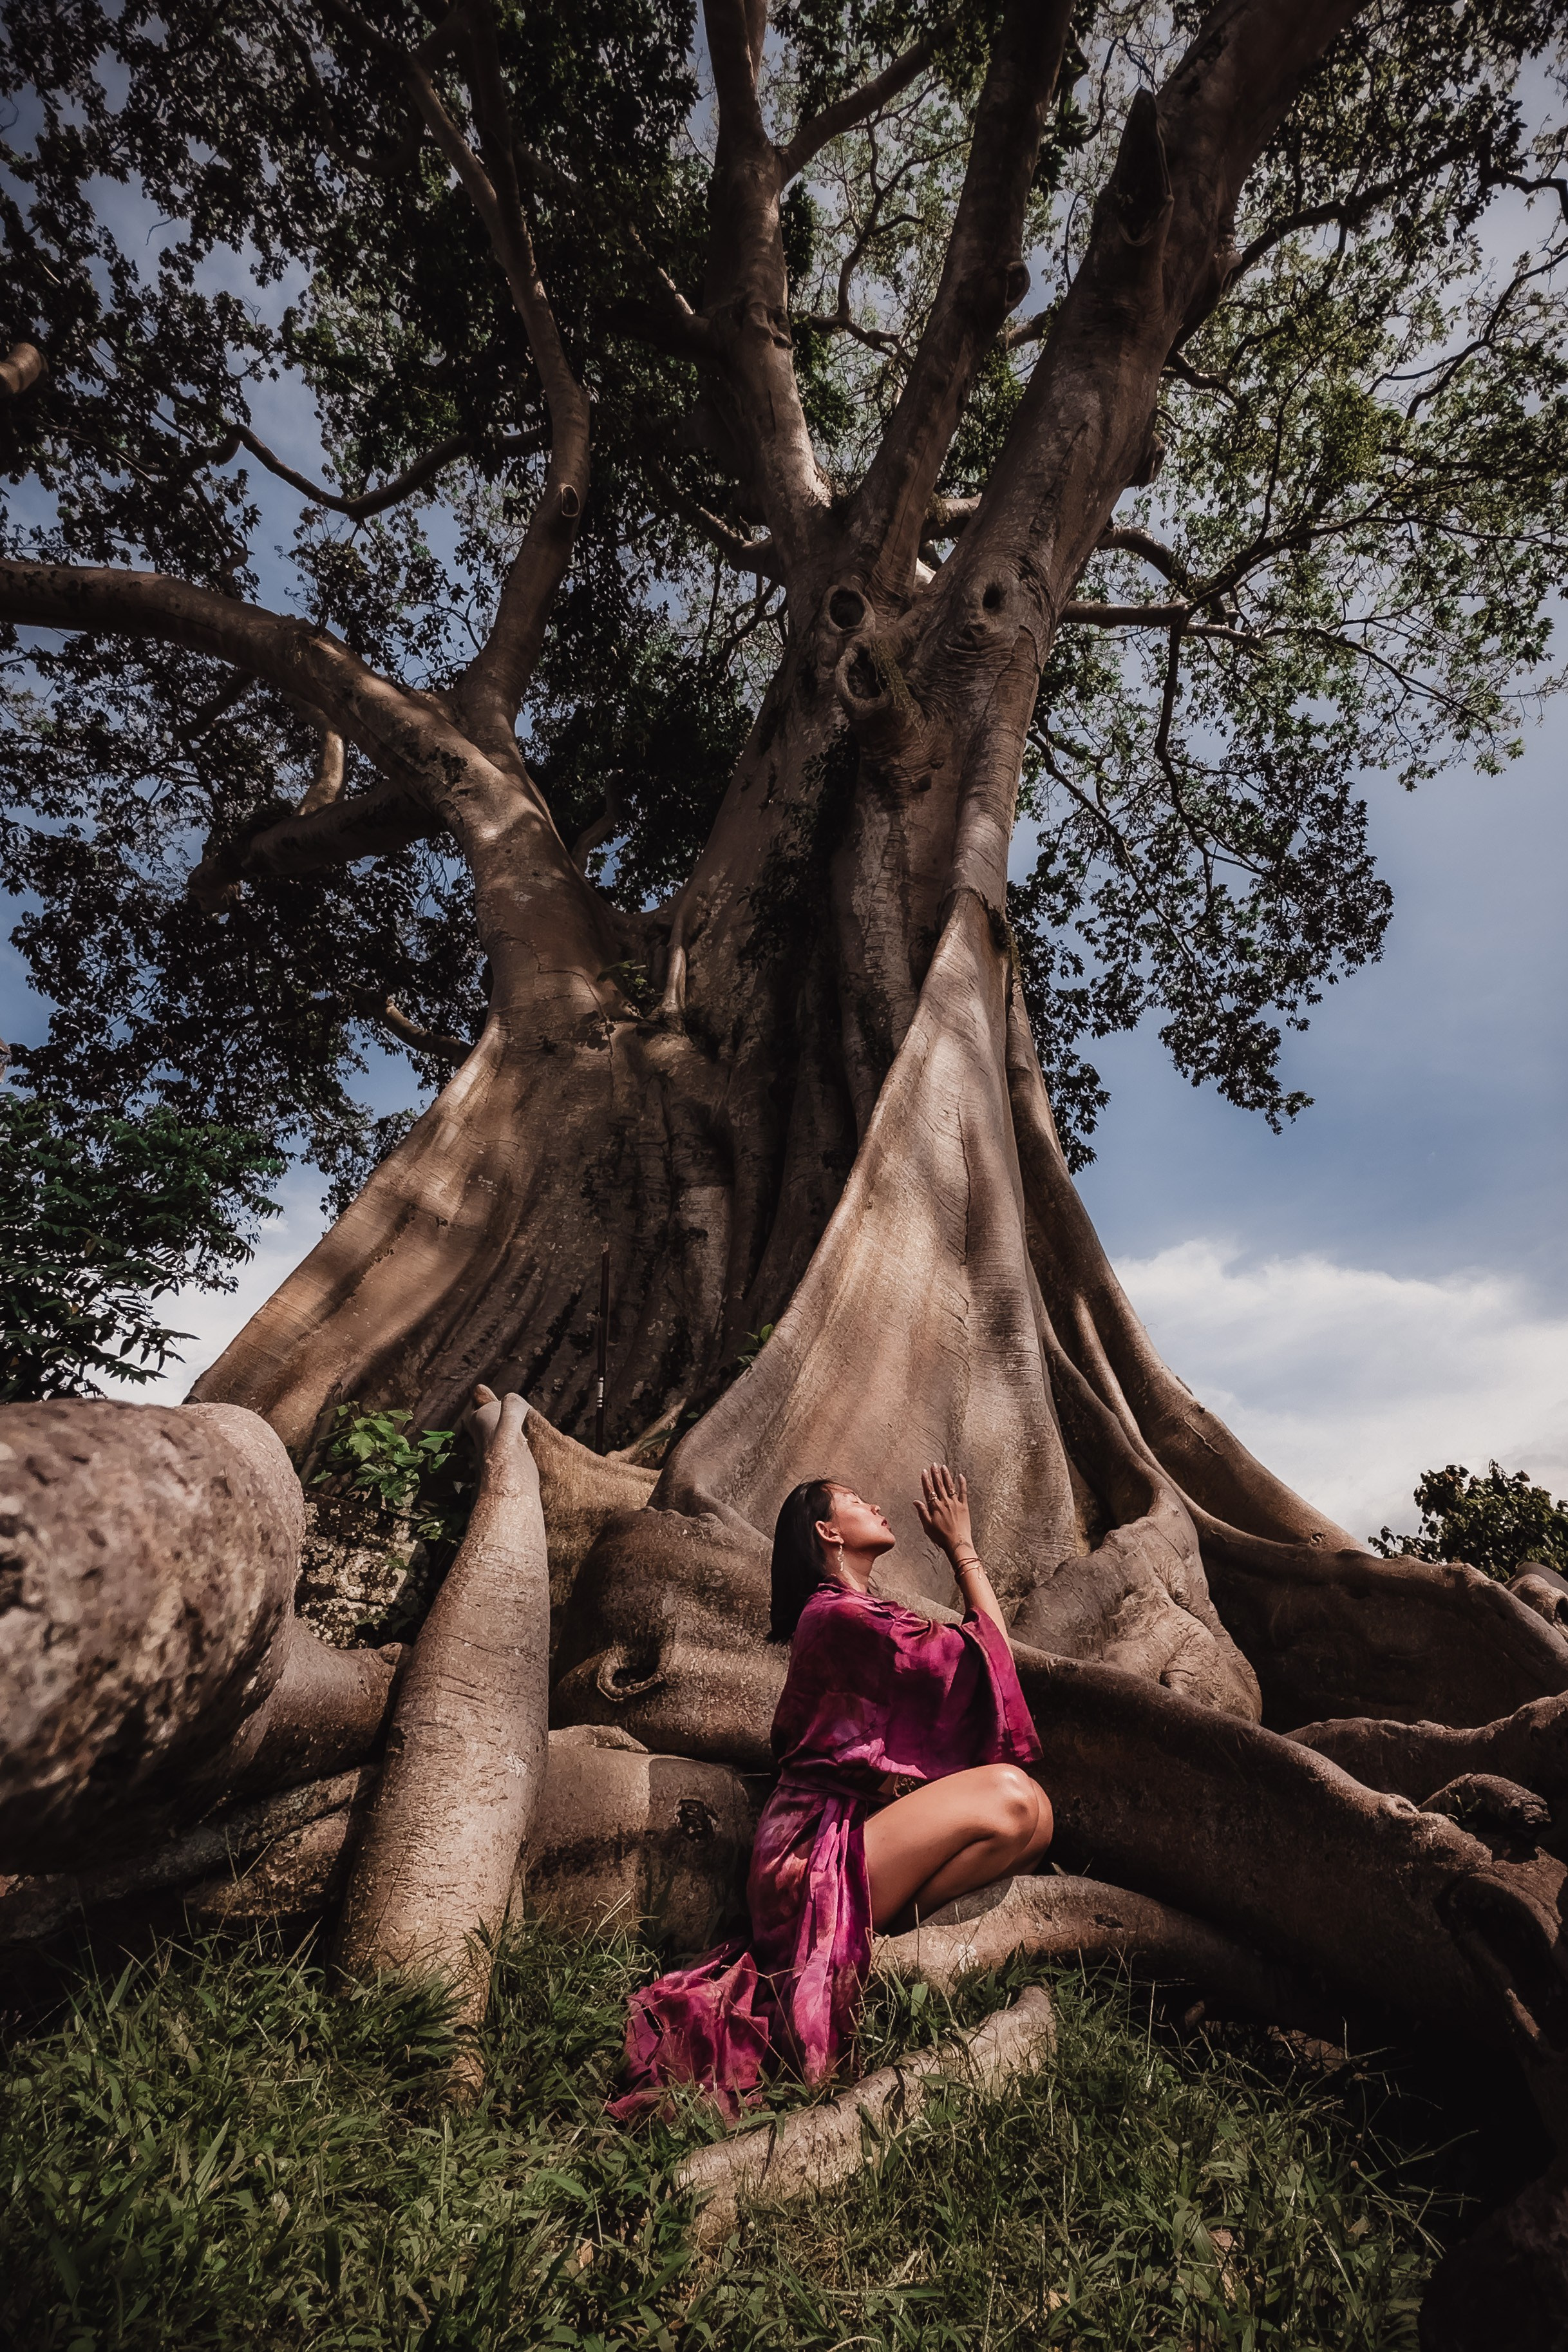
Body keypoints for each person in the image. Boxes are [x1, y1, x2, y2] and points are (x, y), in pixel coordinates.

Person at [609, 1464, 1051, 2118]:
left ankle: (873, 1933)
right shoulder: (839, 1616)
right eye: (852, 1500)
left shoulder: (868, 1615)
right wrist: (960, 1544)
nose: (874, 1502)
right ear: (826, 1531)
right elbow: (990, 1658)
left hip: (852, 1832)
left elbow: (975, 1665)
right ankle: (858, 1937)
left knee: (1035, 1820)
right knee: (1013, 1797)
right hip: (807, 1852)